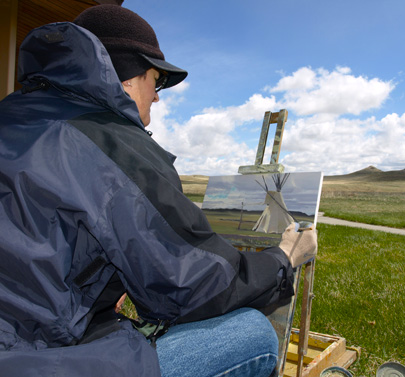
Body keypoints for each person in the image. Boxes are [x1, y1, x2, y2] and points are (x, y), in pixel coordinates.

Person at [0, 4, 317, 377]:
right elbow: (193, 287)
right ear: (129, 78)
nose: (158, 96)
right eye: (157, 80)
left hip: (19, 338)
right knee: (252, 336)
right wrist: (283, 259)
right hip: (28, 360)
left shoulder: (13, 115)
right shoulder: (113, 145)